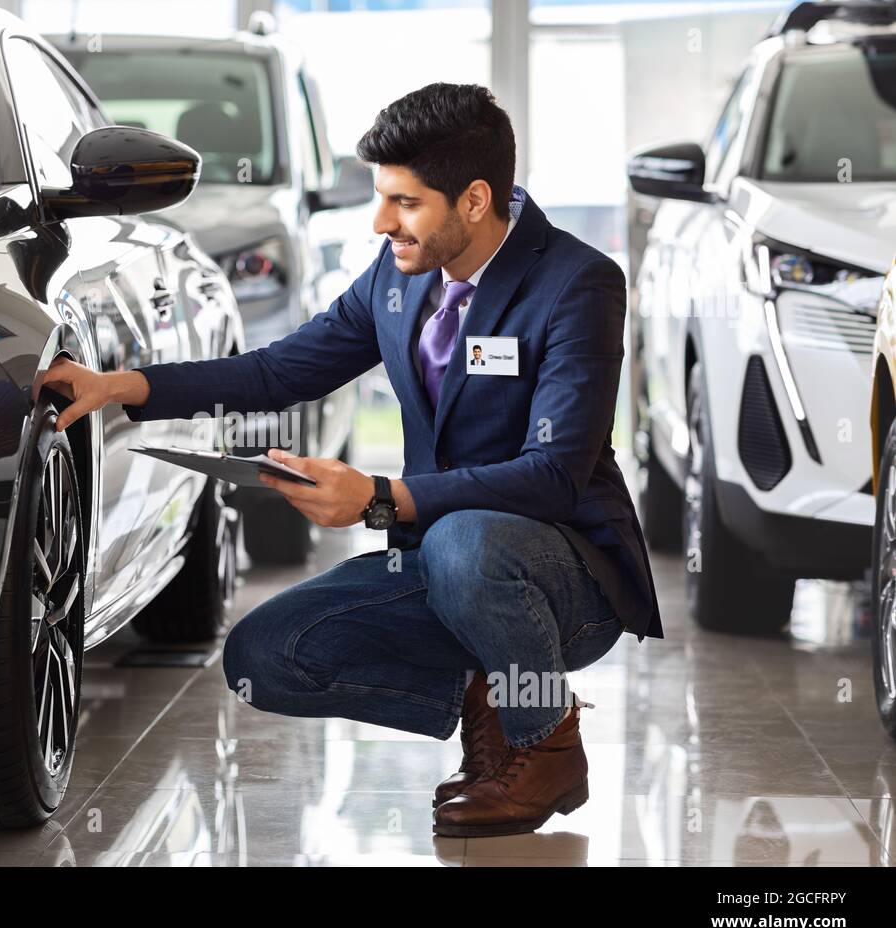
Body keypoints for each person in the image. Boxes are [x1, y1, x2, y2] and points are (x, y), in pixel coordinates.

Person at [40, 82, 664, 838]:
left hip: (561, 575)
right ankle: (489, 696)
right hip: (442, 565)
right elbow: (280, 372)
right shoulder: (396, 279)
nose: (381, 222)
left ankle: (543, 738)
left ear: (473, 200)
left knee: (466, 539)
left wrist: (377, 496)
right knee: (262, 654)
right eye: (380, 198)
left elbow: (555, 474)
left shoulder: (576, 283)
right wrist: (122, 386)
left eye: (404, 202)